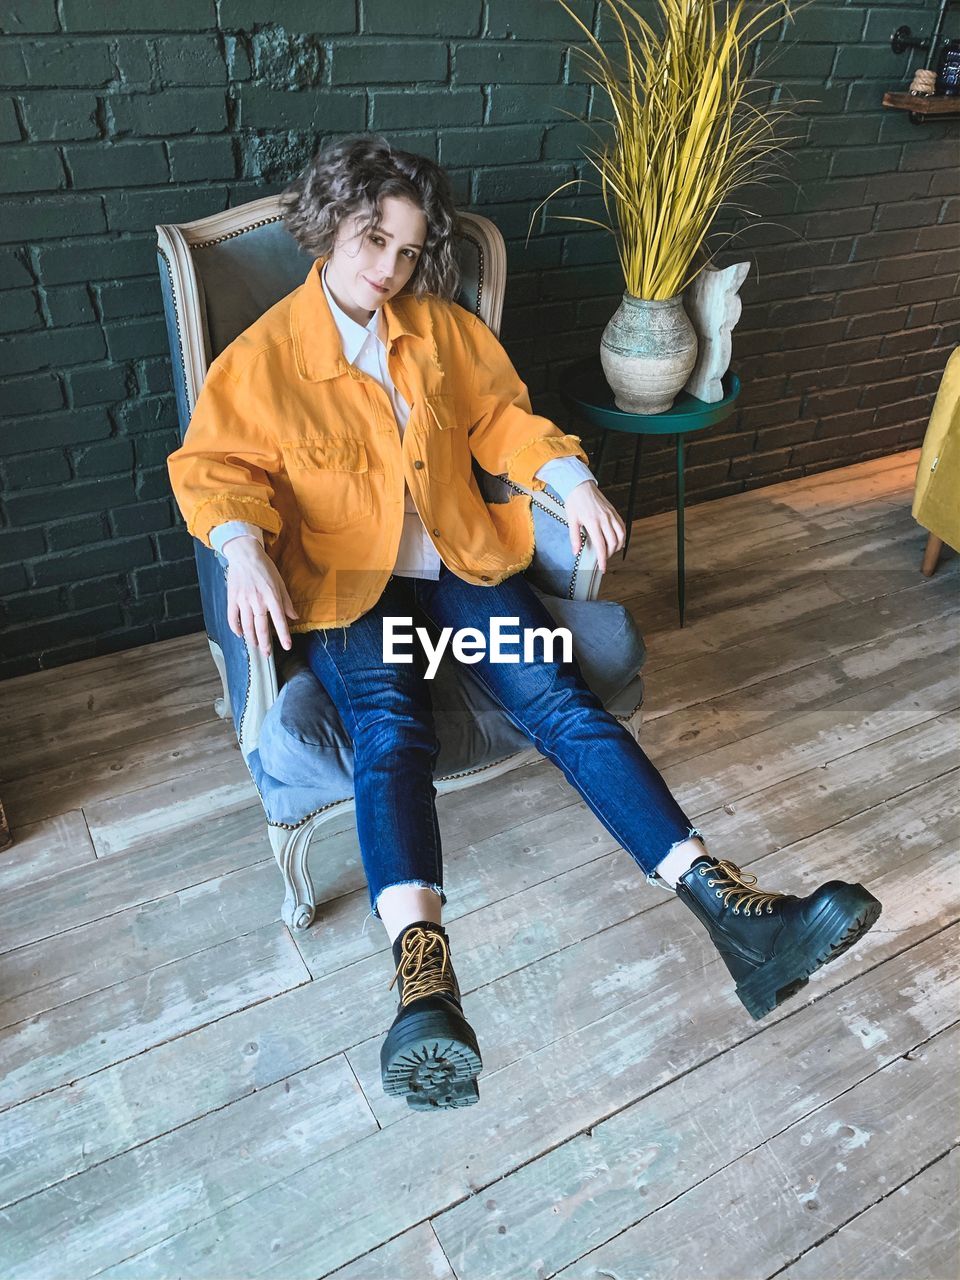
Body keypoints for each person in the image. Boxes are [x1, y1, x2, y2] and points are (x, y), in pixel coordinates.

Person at [167, 134, 882, 1112]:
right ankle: (424, 989)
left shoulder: (440, 332)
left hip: (463, 560)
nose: (389, 268)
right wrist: (244, 546)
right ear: (330, 226)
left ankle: (732, 911)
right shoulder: (259, 363)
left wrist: (568, 475)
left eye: (409, 251)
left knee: (564, 700)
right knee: (390, 730)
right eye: (375, 239)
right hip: (347, 586)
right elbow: (214, 468)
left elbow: (502, 417)